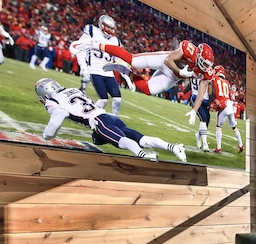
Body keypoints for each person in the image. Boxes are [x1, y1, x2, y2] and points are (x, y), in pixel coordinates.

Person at [34, 78, 187, 162]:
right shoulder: (72, 90)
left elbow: (54, 124)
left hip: (99, 122)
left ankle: (143, 155)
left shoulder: (53, 101)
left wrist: (46, 136)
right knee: (142, 139)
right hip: (109, 117)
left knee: (122, 141)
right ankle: (173, 147)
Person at [86, 39, 214, 101]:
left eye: (206, 64)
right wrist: (181, 72)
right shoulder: (189, 50)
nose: (204, 66)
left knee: (148, 90)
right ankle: (96, 44)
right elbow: (168, 60)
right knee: (132, 60)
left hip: (172, 77)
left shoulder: (205, 71)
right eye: (203, 61)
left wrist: (194, 109)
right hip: (164, 61)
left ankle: (125, 71)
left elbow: (204, 88)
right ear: (197, 54)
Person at [69, 15, 133, 115]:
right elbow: (81, 48)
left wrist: (126, 75)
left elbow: (119, 60)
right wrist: (84, 67)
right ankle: (91, 117)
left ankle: (114, 119)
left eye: (112, 28)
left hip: (108, 73)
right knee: (103, 100)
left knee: (118, 99)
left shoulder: (115, 41)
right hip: (94, 70)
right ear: (102, 26)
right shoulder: (92, 31)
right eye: (109, 28)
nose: (111, 30)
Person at [210, 65, 244, 154]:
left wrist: (214, 100)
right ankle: (241, 145)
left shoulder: (215, 79)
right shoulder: (227, 82)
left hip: (223, 104)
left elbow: (212, 91)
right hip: (229, 104)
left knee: (218, 126)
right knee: (234, 127)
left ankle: (218, 148)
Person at [189, 76, 212, 152]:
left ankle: (198, 135)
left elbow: (209, 87)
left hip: (205, 100)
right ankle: (205, 144)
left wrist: (210, 99)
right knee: (204, 119)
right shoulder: (200, 73)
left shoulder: (203, 74)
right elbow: (190, 84)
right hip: (196, 97)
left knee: (207, 119)